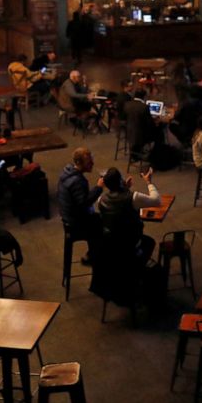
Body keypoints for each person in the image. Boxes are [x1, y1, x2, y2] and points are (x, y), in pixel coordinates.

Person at [93, 167, 163, 306]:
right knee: (149, 242)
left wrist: (123, 187)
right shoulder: (133, 197)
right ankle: (137, 275)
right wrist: (149, 182)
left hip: (111, 248)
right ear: (120, 180)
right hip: (130, 247)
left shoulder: (101, 200)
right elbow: (157, 200)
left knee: (145, 243)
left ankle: (128, 277)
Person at [57, 147, 103, 264]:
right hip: (74, 223)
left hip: (67, 218)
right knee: (103, 222)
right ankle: (95, 257)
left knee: (96, 219)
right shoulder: (77, 181)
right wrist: (99, 187)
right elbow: (84, 203)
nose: (92, 163)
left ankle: (93, 253)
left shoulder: (68, 172)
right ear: (79, 163)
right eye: (89, 162)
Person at [124, 88, 162, 154]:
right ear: (144, 97)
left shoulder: (127, 104)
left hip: (129, 131)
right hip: (141, 134)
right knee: (160, 132)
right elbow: (150, 124)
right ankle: (155, 154)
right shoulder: (144, 107)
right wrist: (157, 121)